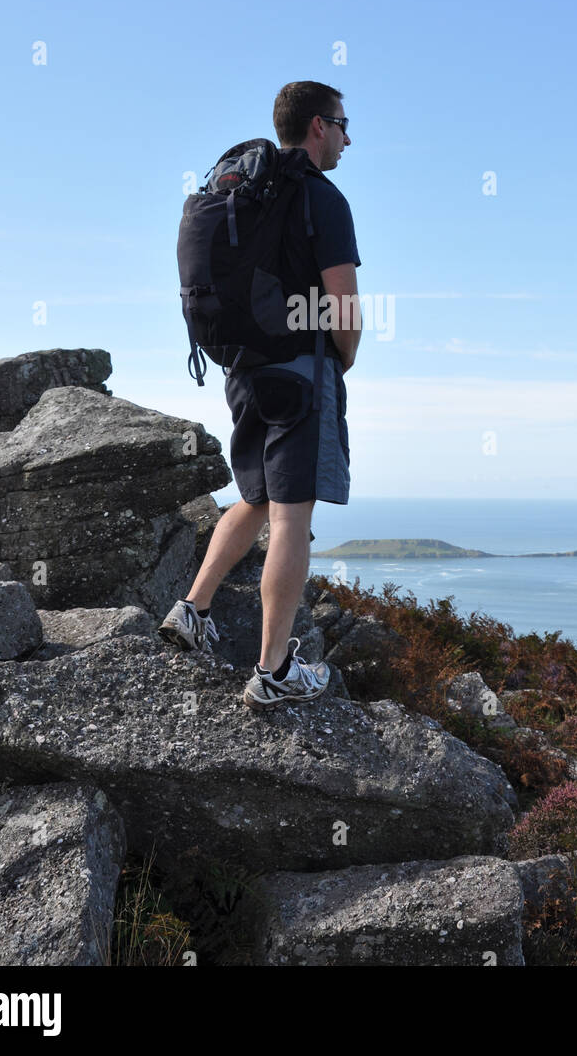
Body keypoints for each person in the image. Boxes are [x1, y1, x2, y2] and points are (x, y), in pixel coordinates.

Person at [159, 81, 361, 708]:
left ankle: (191, 610)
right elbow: (343, 302)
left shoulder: (248, 197)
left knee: (255, 497)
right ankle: (274, 672)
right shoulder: (320, 198)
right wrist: (341, 360)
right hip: (302, 370)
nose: (349, 138)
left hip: (243, 371)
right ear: (316, 126)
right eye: (343, 124)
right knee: (292, 515)